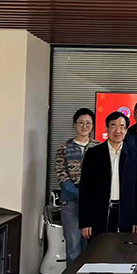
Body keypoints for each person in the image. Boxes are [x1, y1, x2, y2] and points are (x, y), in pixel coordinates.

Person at [79, 111, 137, 240]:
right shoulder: (94, 154)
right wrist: (85, 222)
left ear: (126, 130)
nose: (118, 131)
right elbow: (85, 190)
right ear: (106, 129)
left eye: (122, 127)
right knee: (99, 249)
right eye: (113, 126)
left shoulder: (134, 155)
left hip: (126, 214)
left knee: (124, 249)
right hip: (99, 213)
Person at [55, 108, 99, 263]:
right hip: (71, 202)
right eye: (81, 122)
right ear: (75, 124)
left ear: (93, 125)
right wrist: (79, 194)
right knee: (73, 245)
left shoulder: (99, 147)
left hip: (93, 203)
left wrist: (91, 196)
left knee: (91, 244)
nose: (84, 126)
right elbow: (61, 174)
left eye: (88, 123)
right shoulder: (64, 147)